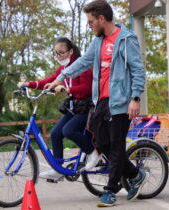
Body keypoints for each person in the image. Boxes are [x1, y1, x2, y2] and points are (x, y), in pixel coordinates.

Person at [46, 0, 148, 207]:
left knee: (116, 145)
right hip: (100, 100)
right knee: (100, 144)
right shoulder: (99, 42)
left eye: (91, 21)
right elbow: (83, 62)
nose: (90, 25)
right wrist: (59, 78)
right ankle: (135, 174)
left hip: (121, 101)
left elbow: (138, 71)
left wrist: (135, 98)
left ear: (102, 19)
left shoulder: (126, 39)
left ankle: (110, 190)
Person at [17, 37, 101, 181]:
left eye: (61, 53)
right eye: (56, 53)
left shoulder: (81, 66)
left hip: (88, 107)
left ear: (71, 51)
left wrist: (67, 89)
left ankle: (93, 153)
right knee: (55, 133)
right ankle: (58, 169)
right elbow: (47, 81)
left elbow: (88, 88)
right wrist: (28, 84)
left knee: (68, 130)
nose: (59, 56)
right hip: (76, 107)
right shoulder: (63, 68)